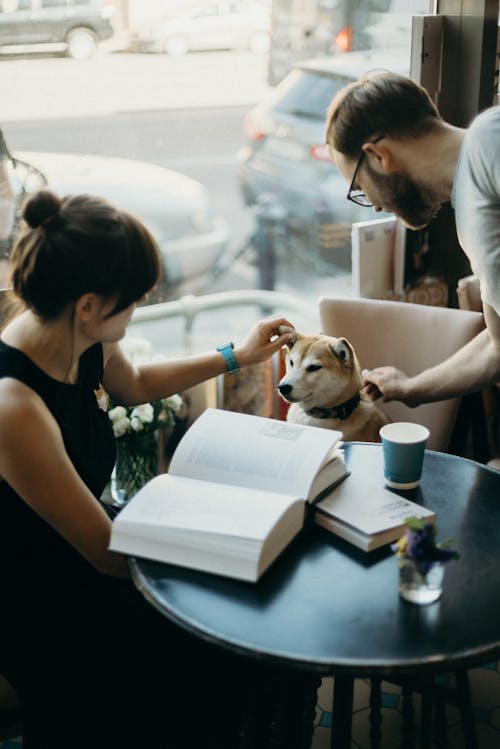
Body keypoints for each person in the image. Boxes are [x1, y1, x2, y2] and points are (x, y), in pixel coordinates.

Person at [0, 188, 310, 749]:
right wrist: (221, 557)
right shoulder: (13, 404)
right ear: (91, 304)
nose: (139, 308)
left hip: (98, 543)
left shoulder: (80, 335)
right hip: (46, 597)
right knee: (217, 646)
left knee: (250, 624)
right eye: (135, 299)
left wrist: (238, 354)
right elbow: (104, 552)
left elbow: (136, 384)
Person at [325, 70, 500, 408]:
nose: (374, 206)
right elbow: (497, 348)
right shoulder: (467, 209)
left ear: (379, 155)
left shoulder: (489, 139)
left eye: (360, 188)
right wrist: (410, 389)